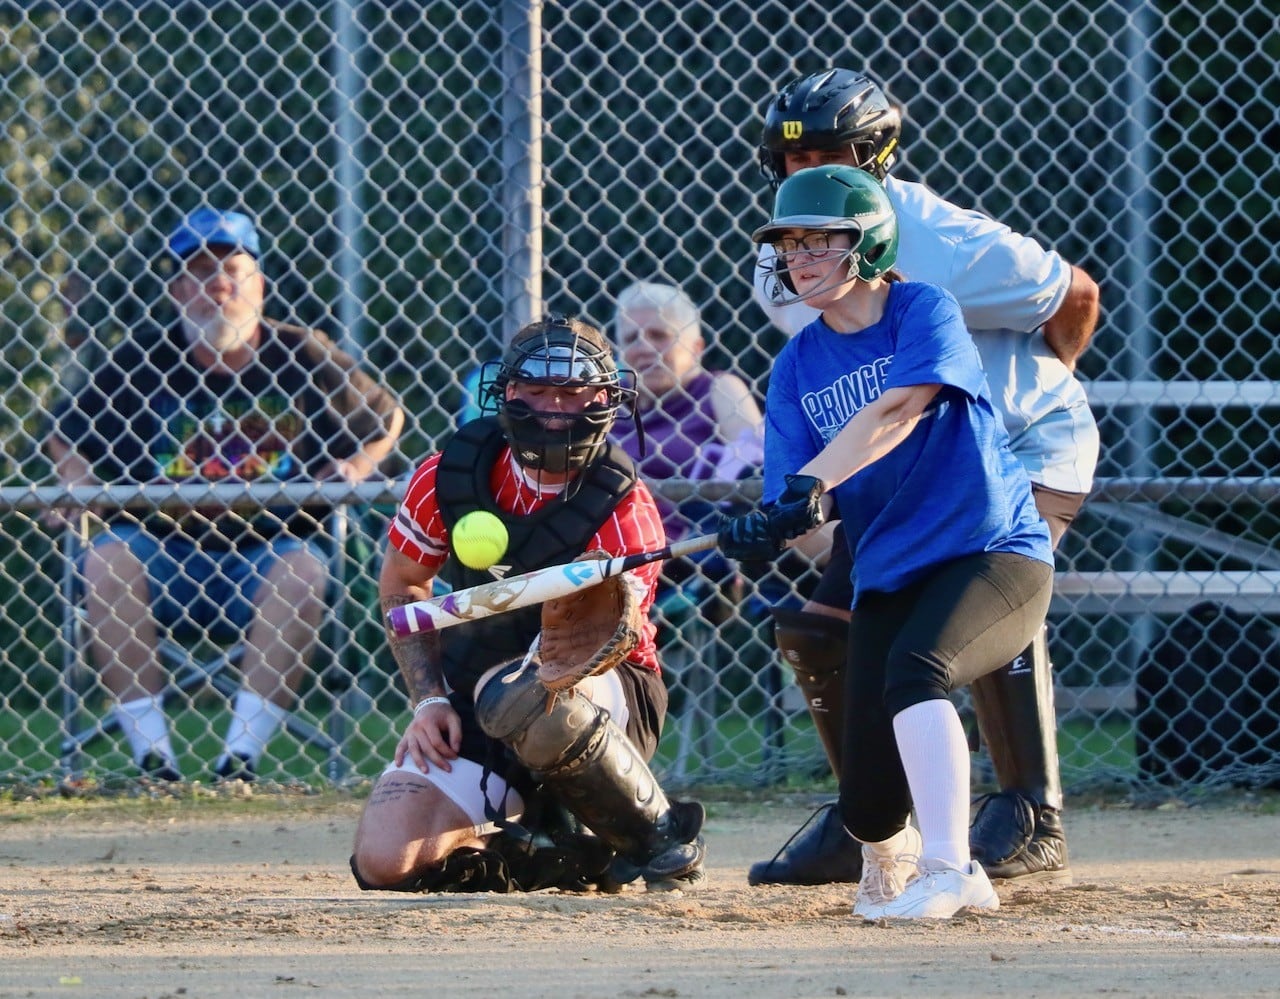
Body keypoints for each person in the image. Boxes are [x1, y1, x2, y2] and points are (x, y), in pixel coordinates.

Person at [747, 68, 1100, 887]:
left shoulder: (937, 242)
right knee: (818, 625)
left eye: (831, 154)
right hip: (890, 468)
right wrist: (787, 512)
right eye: (790, 159)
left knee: (966, 603)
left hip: (1019, 446)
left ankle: (1028, 806)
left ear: (877, 157)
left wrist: (1030, 393)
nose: (805, 175)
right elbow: (834, 385)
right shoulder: (795, 249)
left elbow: (1076, 293)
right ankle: (873, 818)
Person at [721, 164, 1055, 918]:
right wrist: (769, 526)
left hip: (990, 551)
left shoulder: (922, 310)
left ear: (867, 242)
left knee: (918, 668)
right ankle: (903, 849)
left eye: (818, 241)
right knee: (868, 804)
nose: (797, 258)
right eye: (789, 245)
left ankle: (952, 866)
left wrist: (813, 480)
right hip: (890, 572)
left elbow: (901, 408)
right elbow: (802, 498)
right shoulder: (796, 366)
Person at [350, 317, 706, 895]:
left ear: (604, 399)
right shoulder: (447, 476)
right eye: (536, 391)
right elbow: (403, 588)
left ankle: (655, 838)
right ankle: (559, 853)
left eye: (571, 394)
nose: (553, 410)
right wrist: (430, 699)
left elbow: (610, 639)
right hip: (473, 682)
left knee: (521, 694)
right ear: (506, 394)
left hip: (599, 691)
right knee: (386, 861)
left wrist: (538, 665)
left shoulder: (623, 505)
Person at [46, 207, 404, 782]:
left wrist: (357, 466)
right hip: (159, 551)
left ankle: (238, 761)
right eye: (200, 272)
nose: (218, 284)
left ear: (258, 284)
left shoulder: (301, 354)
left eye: (232, 270)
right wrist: (75, 476)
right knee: (105, 558)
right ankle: (153, 761)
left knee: (305, 572)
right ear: (177, 288)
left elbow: (387, 417)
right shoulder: (141, 358)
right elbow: (65, 432)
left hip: (269, 552)